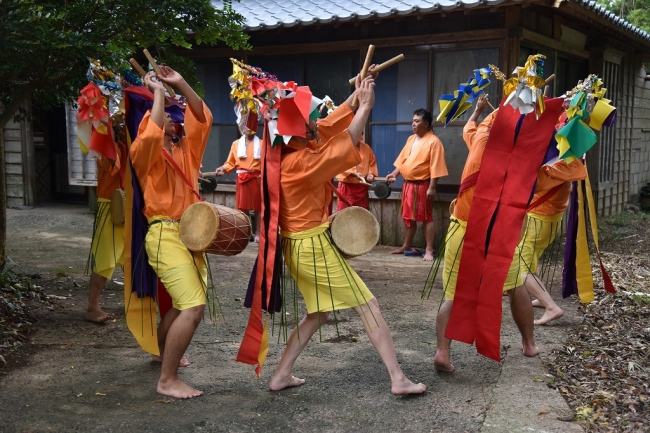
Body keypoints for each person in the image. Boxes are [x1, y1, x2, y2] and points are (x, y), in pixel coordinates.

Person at [269, 74, 426, 395]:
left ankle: (281, 375)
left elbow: (330, 125)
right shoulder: (299, 162)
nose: (316, 124)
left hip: (298, 245)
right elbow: (342, 143)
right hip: (312, 246)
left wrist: (355, 96)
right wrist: (366, 106)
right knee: (369, 306)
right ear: (298, 130)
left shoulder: (287, 153)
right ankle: (398, 379)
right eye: (310, 121)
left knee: (318, 314)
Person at [432, 95, 538, 373]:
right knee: (515, 286)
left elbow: (472, 126)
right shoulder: (523, 161)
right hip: (497, 234)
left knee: (455, 294)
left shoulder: (480, 139)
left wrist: (479, 110)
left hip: (462, 228)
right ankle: (528, 343)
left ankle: (443, 352)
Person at [129, 66, 212, 399]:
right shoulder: (144, 152)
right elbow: (149, 135)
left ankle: (165, 357)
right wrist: (158, 93)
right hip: (163, 235)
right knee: (194, 306)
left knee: (181, 305)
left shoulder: (185, 150)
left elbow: (202, 117)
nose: (176, 122)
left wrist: (179, 83)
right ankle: (167, 379)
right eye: (168, 117)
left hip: (191, 234)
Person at [517, 157, 586, 325]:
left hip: (540, 218)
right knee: (530, 258)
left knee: (520, 266)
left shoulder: (559, 166)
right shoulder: (573, 163)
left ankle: (551, 307)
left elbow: (535, 182)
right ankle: (541, 298)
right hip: (549, 219)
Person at [386, 108, 448, 261]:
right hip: (408, 185)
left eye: (417, 121)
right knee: (408, 217)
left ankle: (428, 249)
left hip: (423, 185)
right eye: (413, 121)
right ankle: (406, 245)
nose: (413, 124)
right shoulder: (411, 139)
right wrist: (395, 173)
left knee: (426, 217)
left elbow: (436, 166)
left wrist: (432, 187)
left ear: (426, 124)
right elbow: (403, 159)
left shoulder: (434, 142)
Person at [86, 140, 127, 323]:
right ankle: (92, 308)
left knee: (133, 258)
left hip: (129, 206)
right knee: (105, 260)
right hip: (110, 205)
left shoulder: (133, 144)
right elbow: (112, 164)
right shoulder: (110, 145)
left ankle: (133, 302)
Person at [215, 128, 262, 242]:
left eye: (251, 126)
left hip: (257, 177)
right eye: (246, 126)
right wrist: (222, 168)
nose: (249, 129)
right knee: (242, 208)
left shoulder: (262, 143)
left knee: (258, 207)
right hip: (242, 177)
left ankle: (258, 232)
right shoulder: (236, 144)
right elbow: (230, 162)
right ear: (241, 128)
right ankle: (245, 233)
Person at [335, 134, 378, 210]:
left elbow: (372, 162)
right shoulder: (342, 148)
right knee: (345, 213)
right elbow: (338, 165)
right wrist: (353, 173)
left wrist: (370, 174)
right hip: (346, 187)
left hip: (361, 186)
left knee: (361, 213)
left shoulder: (366, 148)